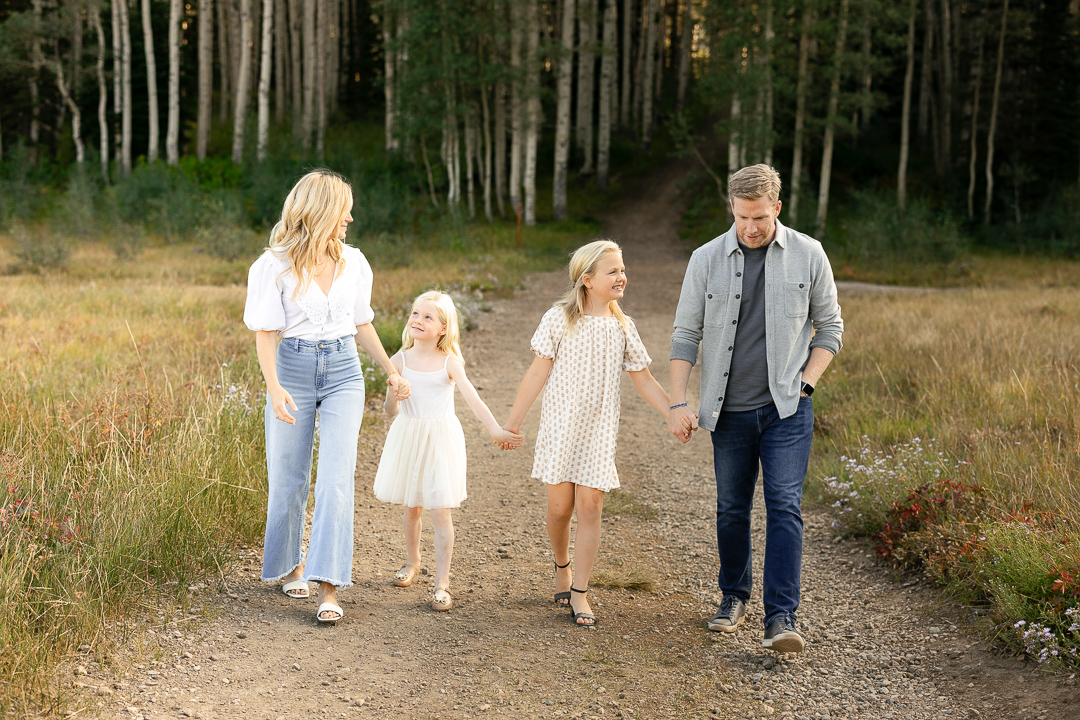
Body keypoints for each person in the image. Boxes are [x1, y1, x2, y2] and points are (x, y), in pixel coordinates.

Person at [667, 164, 844, 653]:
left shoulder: (809, 254)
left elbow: (830, 328)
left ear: (778, 209)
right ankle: (733, 597)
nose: (750, 227)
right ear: (732, 208)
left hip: (788, 410)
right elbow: (685, 335)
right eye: (743, 216)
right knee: (731, 509)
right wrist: (678, 402)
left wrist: (806, 386)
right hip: (728, 413)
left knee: (784, 506)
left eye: (760, 218)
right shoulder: (705, 259)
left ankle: (782, 615)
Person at [243, 169, 411, 624]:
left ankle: (329, 587)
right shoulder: (273, 264)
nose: (351, 218)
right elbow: (265, 333)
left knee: (335, 478)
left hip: (343, 372)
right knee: (289, 475)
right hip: (292, 369)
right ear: (321, 212)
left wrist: (393, 372)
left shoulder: (355, 262)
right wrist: (274, 388)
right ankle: (292, 565)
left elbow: (362, 324)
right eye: (344, 209)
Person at [503, 240, 678, 628]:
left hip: (599, 429)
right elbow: (537, 372)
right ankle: (561, 565)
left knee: (591, 505)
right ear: (587, 280)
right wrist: (513, 422)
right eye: (612, 271)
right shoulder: (558, 319)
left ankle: (580, 591)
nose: (622, 277)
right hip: (561, 427)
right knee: (559, 509)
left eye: (622, 269)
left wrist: (675, 411)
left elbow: (644, 379)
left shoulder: (623, 326)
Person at [373, 291, 523, 611]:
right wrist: (393, 392)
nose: (417, 320)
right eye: (415, 314)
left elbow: (474, 401)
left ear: (443, 328)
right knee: (412, 506)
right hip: (409, 435)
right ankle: (413, 561)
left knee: (440, 509)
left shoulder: (449, 363)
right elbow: (390, 412)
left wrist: (496, 430)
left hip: (440, 438)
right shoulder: (399, 359)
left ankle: (442, 582)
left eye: (428, 317)